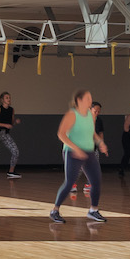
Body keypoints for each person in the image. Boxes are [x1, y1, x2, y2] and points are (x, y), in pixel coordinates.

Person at [50, 88, 107, 224]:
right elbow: (61, 134)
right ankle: (55, 211)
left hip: (89, 152)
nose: (90, 100)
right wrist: (76, 148)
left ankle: (93, 210)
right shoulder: (71, 114)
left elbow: (92, 133)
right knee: (69, 183)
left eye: (90, 98)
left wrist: (100, 142)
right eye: (88, 98)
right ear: (79, 100)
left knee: (96, 181)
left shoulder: (90, 114)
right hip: (72, 152)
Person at [0, 92, 21, 176]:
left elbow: (11, 122)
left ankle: (11, 171)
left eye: (9, 98)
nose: (9, 99)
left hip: (5, 133)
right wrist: (4, 125)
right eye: (7, 98)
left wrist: (15, 122)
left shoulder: (11, 110)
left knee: (15, 151)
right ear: (2, 100)